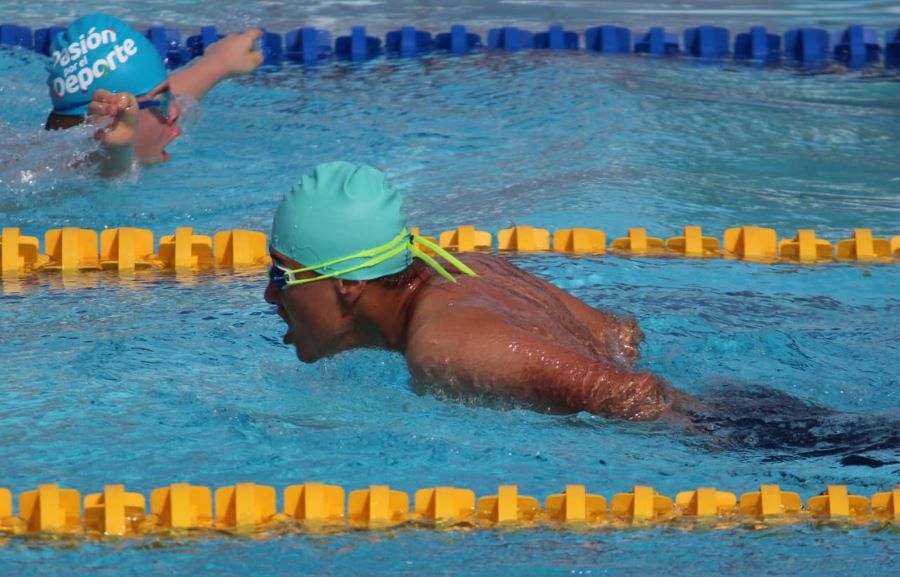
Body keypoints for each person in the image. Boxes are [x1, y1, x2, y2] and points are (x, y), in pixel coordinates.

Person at [265, 161, 698, 421]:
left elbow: (634, 397)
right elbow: (622, 337)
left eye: (282, 276)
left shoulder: (443, 345)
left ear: (349, 283)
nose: (270, 294)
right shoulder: (467, 267)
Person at [44, 13, 263, 176]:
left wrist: (219, 63)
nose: (176, 110)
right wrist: (119, 150)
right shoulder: (54, 175)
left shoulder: (143, 113)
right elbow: (105, 170)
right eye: (164, 102)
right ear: (112, 120)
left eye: (166, 97)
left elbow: (146, 99)